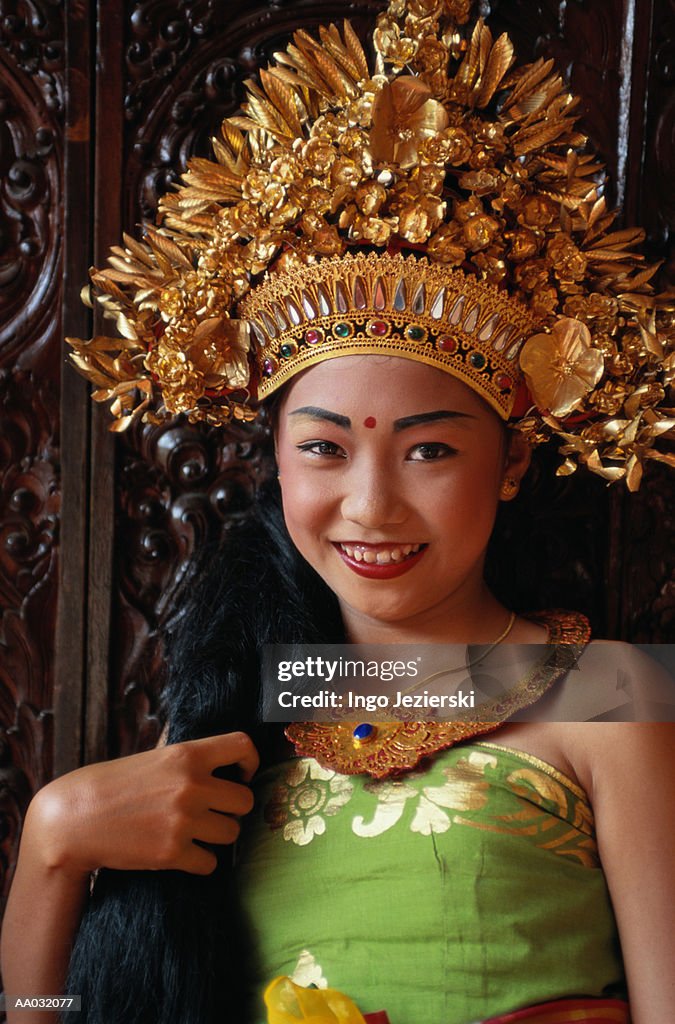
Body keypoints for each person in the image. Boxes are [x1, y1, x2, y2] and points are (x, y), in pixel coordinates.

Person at [2, 1, 674, 1022]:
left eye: (431, 449)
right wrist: (50, 849)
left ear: (513, 459)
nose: (370, 503)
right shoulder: (237, 705)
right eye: (324, 446)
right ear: (273, 460)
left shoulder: (610, 694)